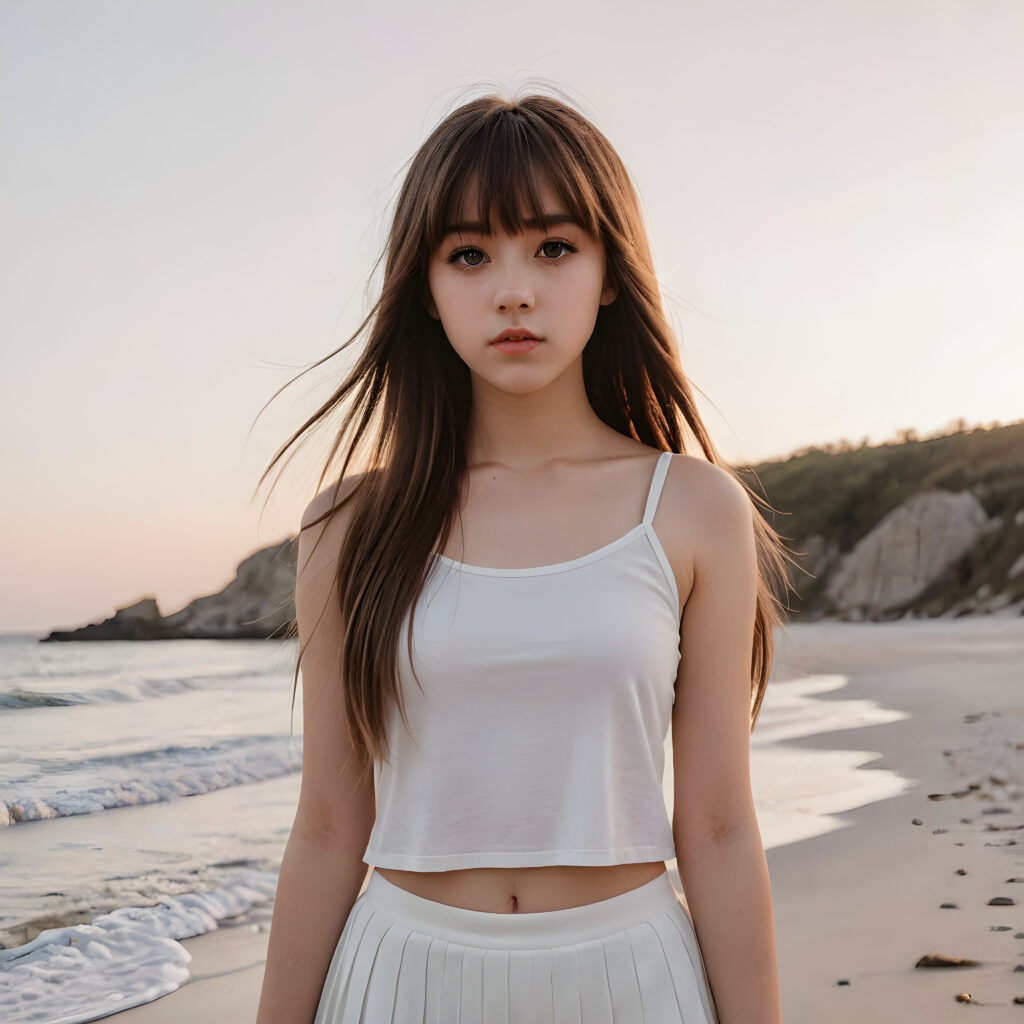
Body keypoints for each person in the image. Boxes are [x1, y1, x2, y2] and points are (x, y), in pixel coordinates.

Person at [254, 87, 794, 1024]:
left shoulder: (693, 509)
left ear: (610, 271)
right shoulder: (346, 528)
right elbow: (331, 830)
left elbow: (716, 829)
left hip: (630, 976)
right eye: (469, 254)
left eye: (553, 247)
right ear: (425, 286)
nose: (514, 289)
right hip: (398, 977)